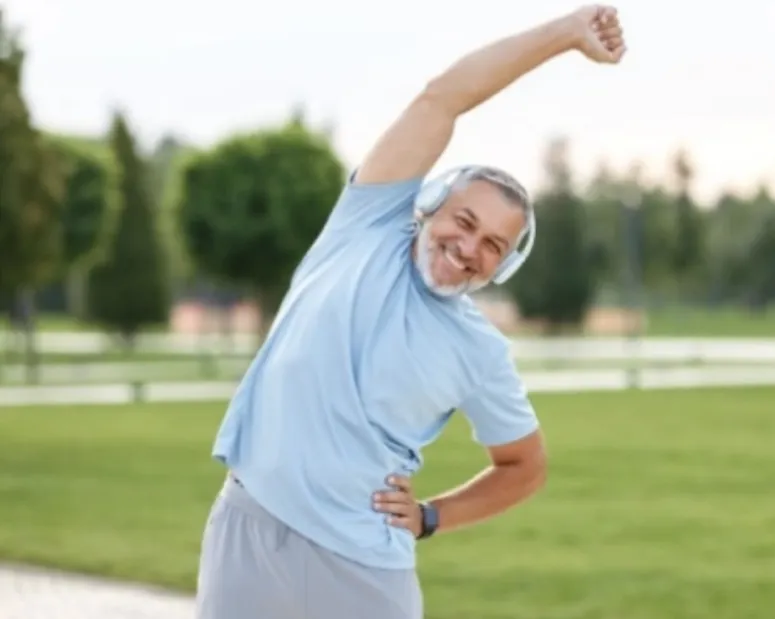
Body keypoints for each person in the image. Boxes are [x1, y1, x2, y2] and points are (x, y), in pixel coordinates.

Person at [195, 6, 627, 619]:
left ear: (501, 266)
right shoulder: (365, 224)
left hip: (363, 570)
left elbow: (524, 466)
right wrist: (564, 34)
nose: (469, 248)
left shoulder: (479, 351)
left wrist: (431, 517)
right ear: (428, 205)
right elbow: (442, 99)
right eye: (465, 221)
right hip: (248, 527)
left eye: (493, 246)